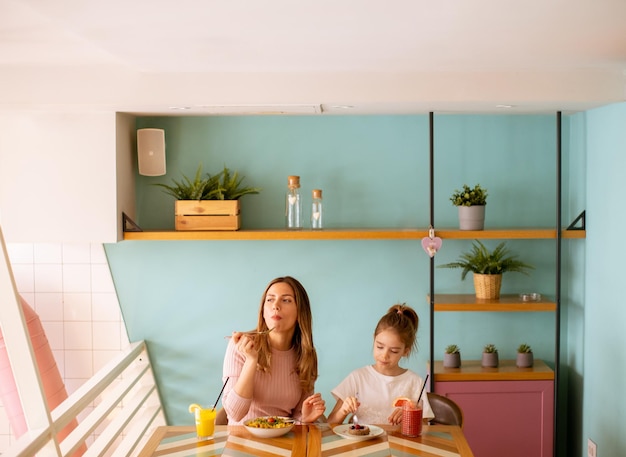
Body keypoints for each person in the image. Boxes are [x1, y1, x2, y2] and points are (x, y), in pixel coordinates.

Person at [222, 276, 326, 424]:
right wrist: (251, 361)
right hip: (242, 441)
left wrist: (305, 418)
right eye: (270, 299)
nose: (275, 305)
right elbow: (234, 413)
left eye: (286, 300)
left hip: (285, 442)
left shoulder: (306, 354)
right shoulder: (240, 346)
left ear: (300, 312)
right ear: (263, 311)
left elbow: (297, 416)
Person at [327, 303, 434, 425]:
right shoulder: (357, 378)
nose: (384, 355)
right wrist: (343, 411)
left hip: (400, 443)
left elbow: (425, 429)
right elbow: (330, 423)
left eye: (394, 351)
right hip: (364, 443)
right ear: (374, 339)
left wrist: (410, 416)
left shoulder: (414, 382)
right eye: (379, 347)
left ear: (405, 351)